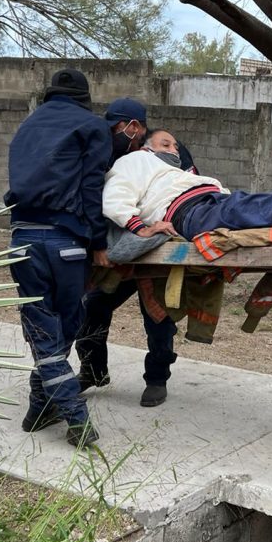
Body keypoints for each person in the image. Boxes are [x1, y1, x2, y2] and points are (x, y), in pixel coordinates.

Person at [4, 68, 110, 448]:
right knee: (59, 333)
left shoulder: (27, 126)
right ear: (84, 98)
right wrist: (99, 241)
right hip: (67, 244)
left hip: (22, 240)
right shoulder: (92, 127)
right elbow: (91, 188)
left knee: (45, 330)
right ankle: (77, 419)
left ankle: (38, 408)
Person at [75, 99, 191, 408]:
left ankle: (157, 378)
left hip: (157, 249)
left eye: (120, 127)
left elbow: (184, 193)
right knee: (94, 306)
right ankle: (92, 370)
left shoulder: (172, 154)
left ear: (135, 126)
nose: (116, 133)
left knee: (158, 316)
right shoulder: (115, 154)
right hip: (124, 248)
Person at [102, 131, 272, 240]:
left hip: (213, 203)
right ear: (148, 147)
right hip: (191, 212)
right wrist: (143, 229)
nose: (174, 149)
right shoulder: (135, 160)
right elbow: (115, 199)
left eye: (175, 145)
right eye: (165, 144)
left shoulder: (176, 171)